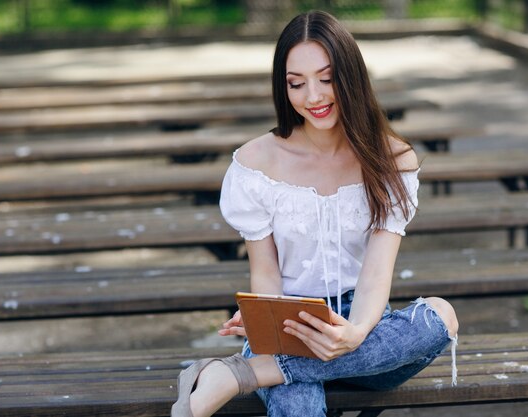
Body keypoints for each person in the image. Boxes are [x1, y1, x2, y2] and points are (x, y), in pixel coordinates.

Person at [171, 10, 459, 417]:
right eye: (296, 83)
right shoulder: (256, 163)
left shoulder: (391, 159)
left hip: (364, 330)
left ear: (351, 77)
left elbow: (377, 273)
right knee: (300, 405)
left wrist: (355, 333)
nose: (314, 97)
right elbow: (266, 273)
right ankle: (273, 366)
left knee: (440, 316)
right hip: (291, 323)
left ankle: (240, 374)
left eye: (327, 79)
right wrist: (264, 317)